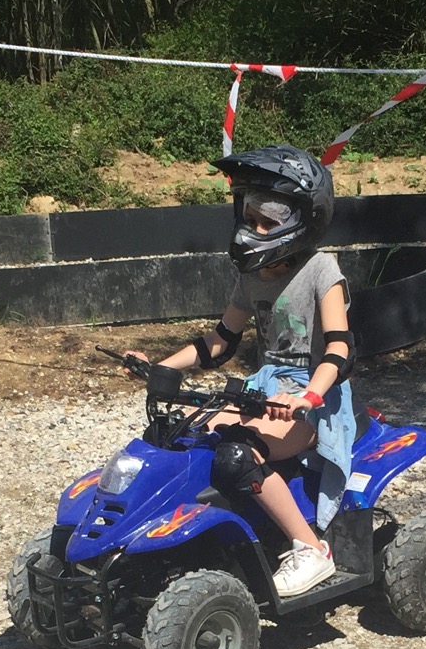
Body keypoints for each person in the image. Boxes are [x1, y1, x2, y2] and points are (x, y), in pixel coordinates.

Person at [130, 144, 355, 598]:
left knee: (238, 455)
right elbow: (219, 343)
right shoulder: (250, 276)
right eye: (250, 217)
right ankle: (191, 545)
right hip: (262, 391)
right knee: (185, 438)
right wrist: (160, 367)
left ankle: (311, 550)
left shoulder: (320, 269)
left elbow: (340, 349)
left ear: (300, 223)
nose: (254, 229)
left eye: (267, 223)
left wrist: (307, 398)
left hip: (313, 403)